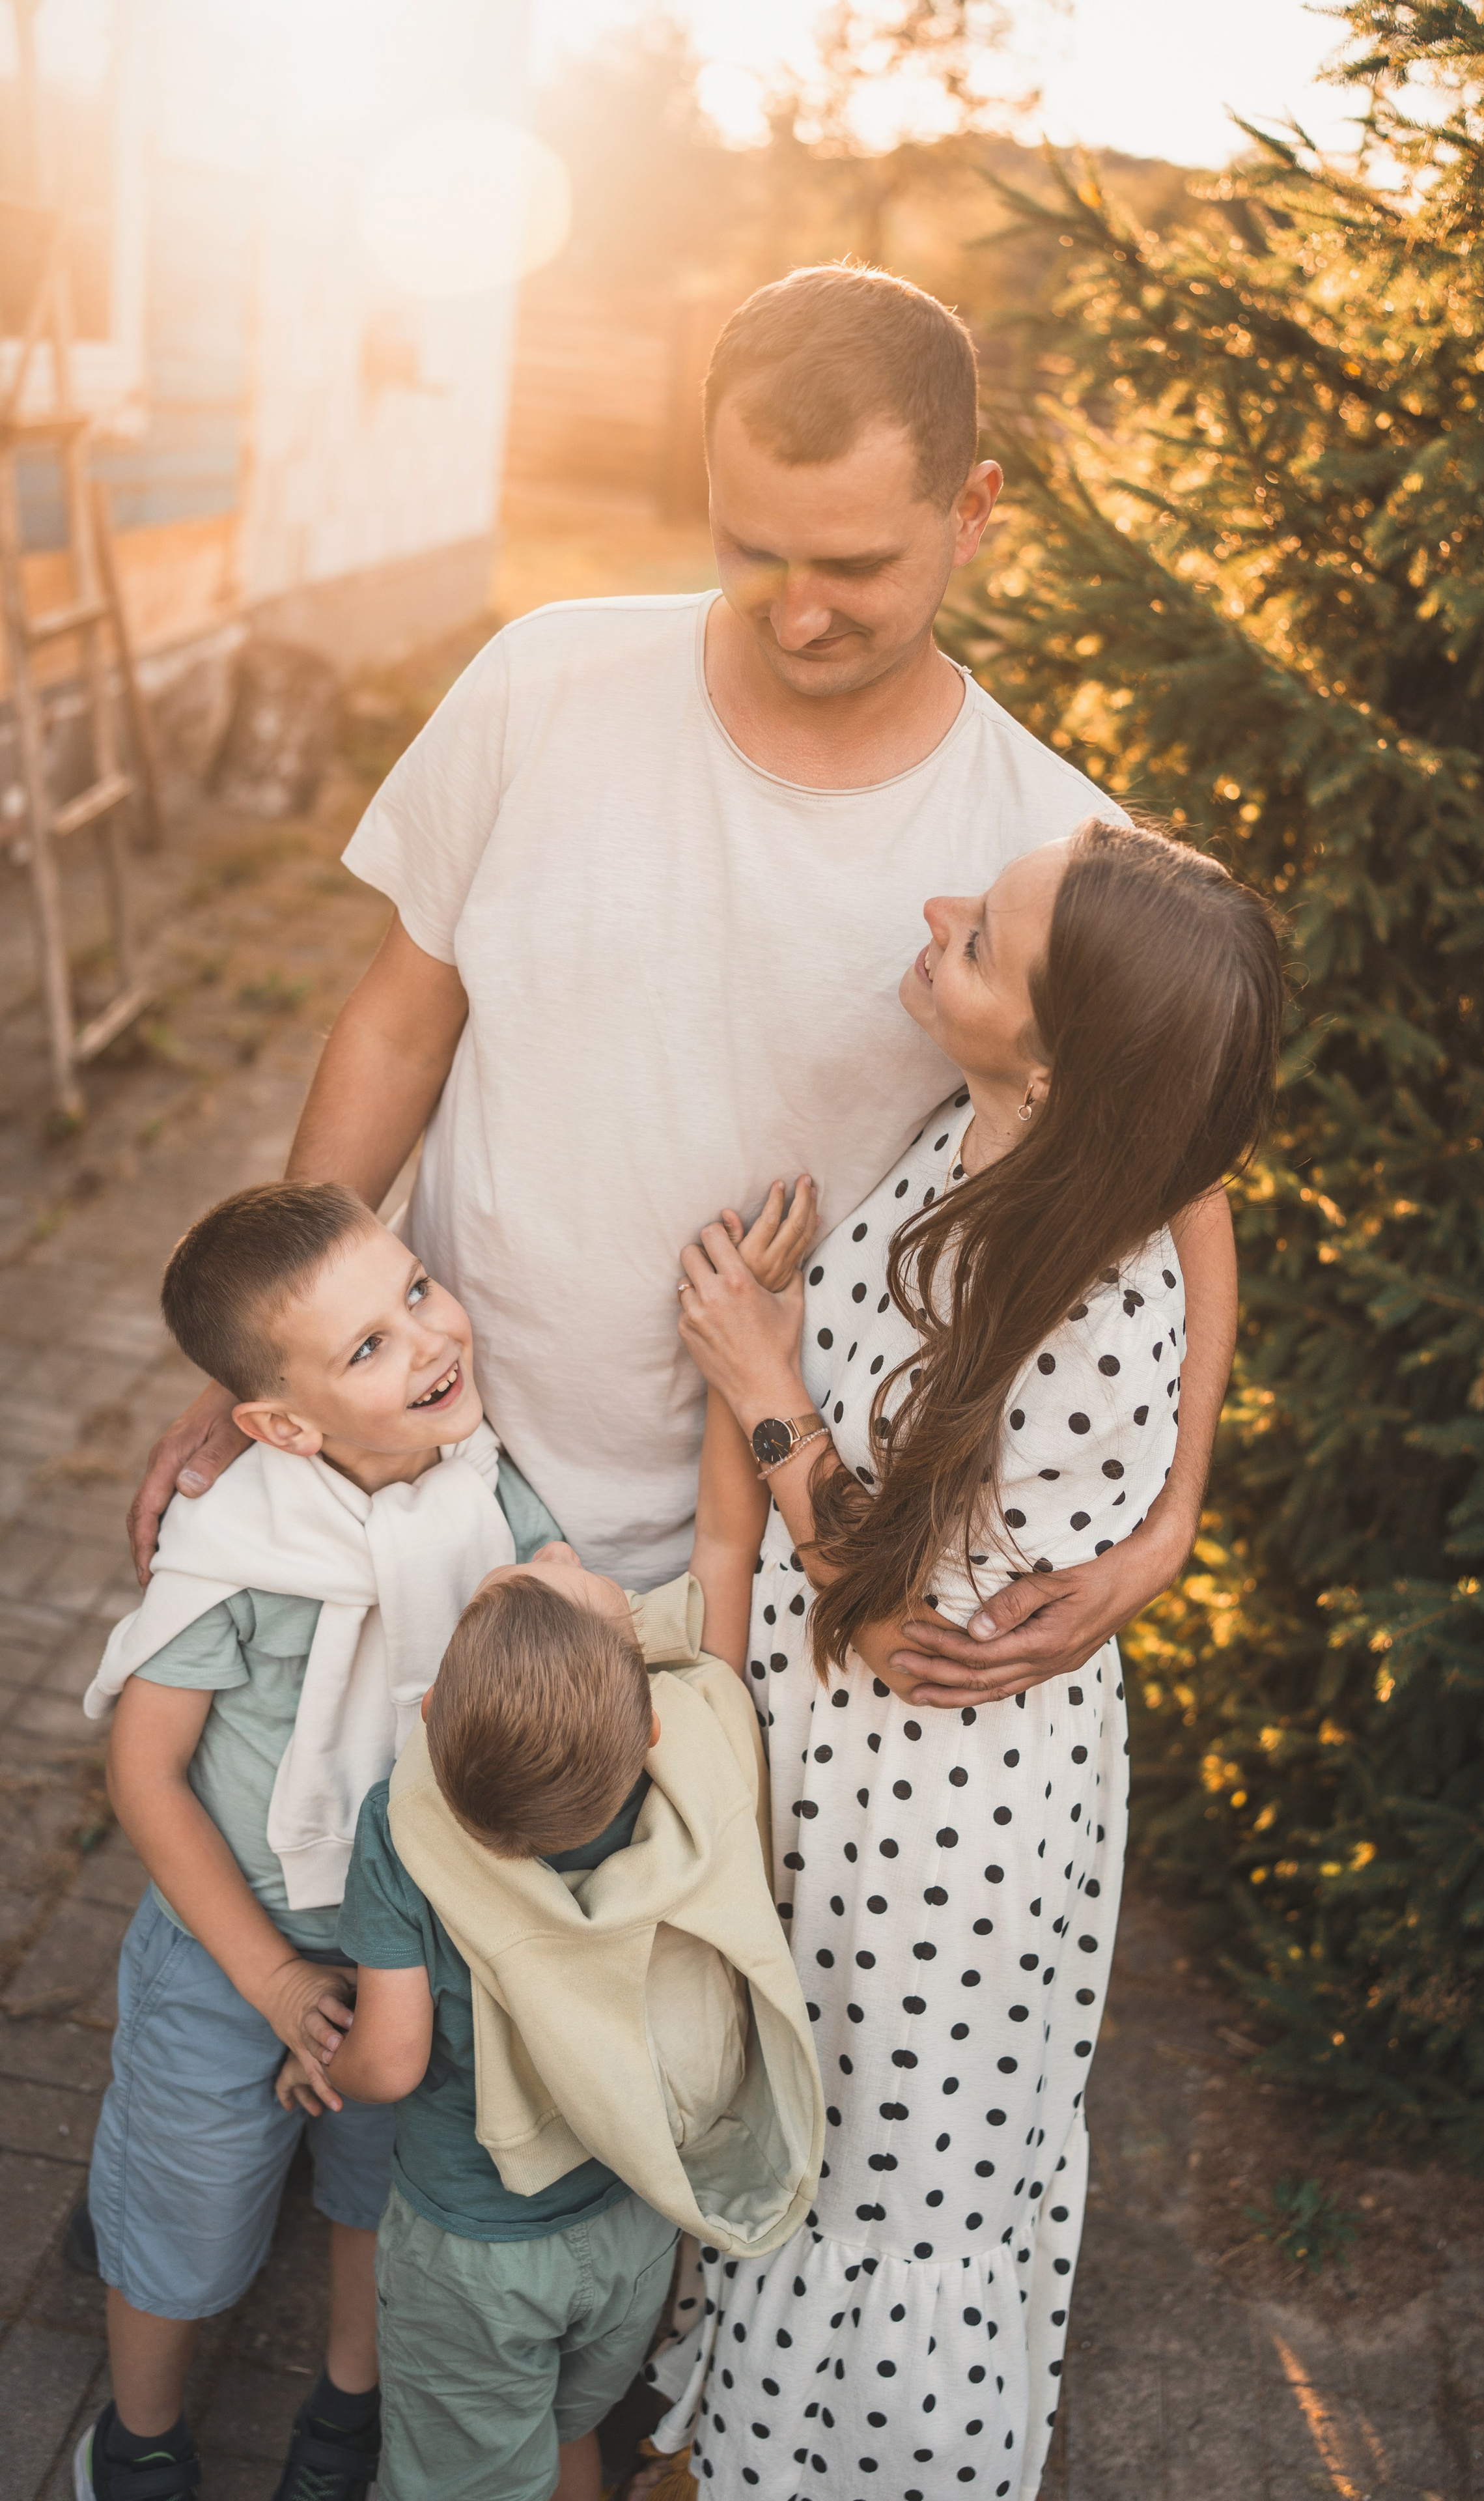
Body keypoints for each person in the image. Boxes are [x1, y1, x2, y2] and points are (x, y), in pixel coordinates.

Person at [127, 261, 1240, 1716]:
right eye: (750, 550)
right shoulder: (544, 680)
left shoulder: (1042, 862)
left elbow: (1177, 1182)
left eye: (852, 567)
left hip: (758, 1563)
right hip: (421, 1470)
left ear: (970, 512)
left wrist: (1168, 1521)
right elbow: (402, 1019)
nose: (796, 615)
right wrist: (262, 1360)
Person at [653, 820, 1285, 2500]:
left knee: (887, 2190)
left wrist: (755, 1373)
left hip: (937, 1832)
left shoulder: (1088, 1308)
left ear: (1059, 1054)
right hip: (868, 1778)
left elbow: (877, 1600)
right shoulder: (1021, 1130)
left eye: (981, 940)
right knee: (827, 2154)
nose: (934, 916)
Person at [76, 1182, 574, 2501]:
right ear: (281, 1424)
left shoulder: (487, 1496)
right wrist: (278, 1983)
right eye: (367, 1347)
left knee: (377, 2191)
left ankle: (346, 2411)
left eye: (414, 1290)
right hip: (227, 1944)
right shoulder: (242, 1542)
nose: (425, 1341)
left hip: (410, 1947)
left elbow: (569, 1625)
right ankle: (137, 2433)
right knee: (181, 2202)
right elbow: (146, 1772)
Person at [288, 1534, 824, 2501]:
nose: (557, 1542)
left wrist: (325, 2063)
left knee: (467, 2476)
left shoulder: (402, 1825)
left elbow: (394, 2061)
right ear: (649, 1725)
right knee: (570, 2434)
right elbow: (721, 1551)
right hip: (636, 2214)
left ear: (437, 1719)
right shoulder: (688, 1769)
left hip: (475, 2253)